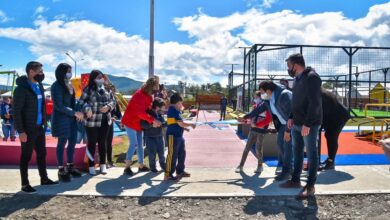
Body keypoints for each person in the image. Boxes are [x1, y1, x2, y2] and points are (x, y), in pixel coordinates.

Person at [280, 53, 323, 199]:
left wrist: (308, 123)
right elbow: (296, 102)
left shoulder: (312, 77)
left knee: (311, 153)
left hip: (308, 125)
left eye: (289, 66)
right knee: (297, 152)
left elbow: (315, 103)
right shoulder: (297, 79)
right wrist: (291, 117)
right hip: (297, 123)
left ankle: (310, 186)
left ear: (296, 65)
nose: (288, 69)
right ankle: (295, 180)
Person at [13, 61, 58, 193]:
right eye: (40, 71)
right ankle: (25, 184)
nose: (42, 74)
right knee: (26, 156)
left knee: (42, 154)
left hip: (39, 128)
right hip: (27, 129)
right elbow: (16, 111)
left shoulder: (39, 86)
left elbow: (42, 107)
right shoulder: (21, 89)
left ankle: (44, 179)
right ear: (31, 72)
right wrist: (21, 131)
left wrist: (44, 123)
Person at [121, 76, 161, 176]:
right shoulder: (140, 95)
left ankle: (141, 165)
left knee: (140, 145)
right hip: (130, 121)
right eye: (157, 86)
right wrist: (152, 120)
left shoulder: (148, 95)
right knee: (134, 144)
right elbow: (140, 113)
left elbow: (148, 109)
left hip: (138, 123)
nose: (158, 88)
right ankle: (127, 167)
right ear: (152, 86)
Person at [51, 63, 84, 182]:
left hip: (72, 120)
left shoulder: (69, 85)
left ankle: (70, 167)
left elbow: (72, 103)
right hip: (61, 120)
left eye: (70, 71)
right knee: (61, 144)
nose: (70, 73)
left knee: (72, 144)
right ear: (61, 72)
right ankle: (61, 169)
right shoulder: (56, 86)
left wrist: (78, 111)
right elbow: (59, 105)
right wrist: (74, 113)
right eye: (68, 71)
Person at [79, 70, 115, 175]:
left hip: (105, 120)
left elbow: (113, 101)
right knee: (91, 144)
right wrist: (87, 108)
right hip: (92, 122)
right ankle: (91, 166)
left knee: (102, 143)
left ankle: (103, 165)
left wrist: (108, 106)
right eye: (98, 77)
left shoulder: (107, 89)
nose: (101, 79)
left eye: (102, 77)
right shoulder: (88, 89)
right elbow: (81, 102)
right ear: (93, 79)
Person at [256, 81, 293, 181]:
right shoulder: (270, 98)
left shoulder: (283, 95)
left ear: (268, 90)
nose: (261, 94)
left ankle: (288, 171)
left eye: (262, 92)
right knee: (281, 145)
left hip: (291, 125)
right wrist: (246, 116)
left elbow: (291, 114)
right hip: (282, 125)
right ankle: (288, 169)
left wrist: (288, 130)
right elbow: (259, 109)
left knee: (288, 147)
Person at [237, 91, 272, 174]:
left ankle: (260, 166)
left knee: (258, 149)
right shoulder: (255, 106)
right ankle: (241, 165)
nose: (254, 99)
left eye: (256, 97)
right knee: (247, 148)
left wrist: (256, 124)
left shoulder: (267, 105)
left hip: (261, 130)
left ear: (260, 97)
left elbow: (268, 119)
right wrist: (245, 120)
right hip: (253, 129)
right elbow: (252, 116)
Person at [165, 93, 196, 181]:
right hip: (172, 136)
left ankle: (180, 171)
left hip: (179, 136)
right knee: (172, 155)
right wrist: (191, 124)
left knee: (182, 153)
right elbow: (181, 123)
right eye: (180, 103)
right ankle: (168, 174)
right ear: (176, 103)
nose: (181, 105)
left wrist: (185, 129)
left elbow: (175, 122)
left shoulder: (176, 110)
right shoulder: (173, 110)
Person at [319, 89, 350, 170]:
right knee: (328, 135)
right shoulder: (318, 92)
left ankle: (331, 162)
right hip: (331, 115)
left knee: (331, 137)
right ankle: (330, 159)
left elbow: (323, 112)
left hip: (339, 116)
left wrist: (319, 126)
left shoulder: (322, 95)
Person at [141, 98, 167, 173]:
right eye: (163, 106)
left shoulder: (159, 114)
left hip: (160, 137)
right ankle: (153, 167)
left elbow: (163, 122)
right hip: (150, 138)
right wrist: (152, 125)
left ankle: (163, 165)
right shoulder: (147, 114)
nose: (164, 108)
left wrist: (164, 124)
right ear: (158, 107)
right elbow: (143, 125)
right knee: (152, 154)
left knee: (161, 153)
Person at [104, 79, 122, 168]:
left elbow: (117, 111)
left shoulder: (114, 99)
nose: (112, 91)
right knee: (102, 143)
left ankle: (110, 161)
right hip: (102, 123)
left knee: (109, 142)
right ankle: (102, 162)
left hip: (110, 123)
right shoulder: (103, 97)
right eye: (110, 89)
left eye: (113, 90)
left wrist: (120, 118)